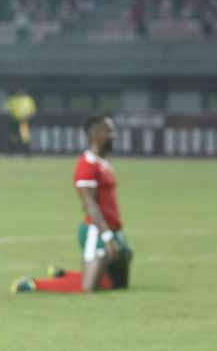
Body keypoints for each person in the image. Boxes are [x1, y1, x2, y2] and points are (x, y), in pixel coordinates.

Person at [14, 115, 132, 294]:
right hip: (96, 231)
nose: (113, 135)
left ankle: (64, 274)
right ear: (95, 133)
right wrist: (106, 236)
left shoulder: (103, 163)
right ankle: (33, 284)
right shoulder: (86, 165)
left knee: (117, 284)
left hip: (114, 229)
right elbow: (89, 204)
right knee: (88, 289)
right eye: (109, 131)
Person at [3, 88, 37, 157]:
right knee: (13, 137)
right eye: (18, 91)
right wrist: (10, 116)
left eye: (21, 91)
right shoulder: (12, 99)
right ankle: (11, 153)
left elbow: (32, 110)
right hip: (14, 121)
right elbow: (6, 109)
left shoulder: (28, 99)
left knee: (25, 137)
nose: (20, 92)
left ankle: (27, 153)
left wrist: (29, 116)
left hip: (24, 121)